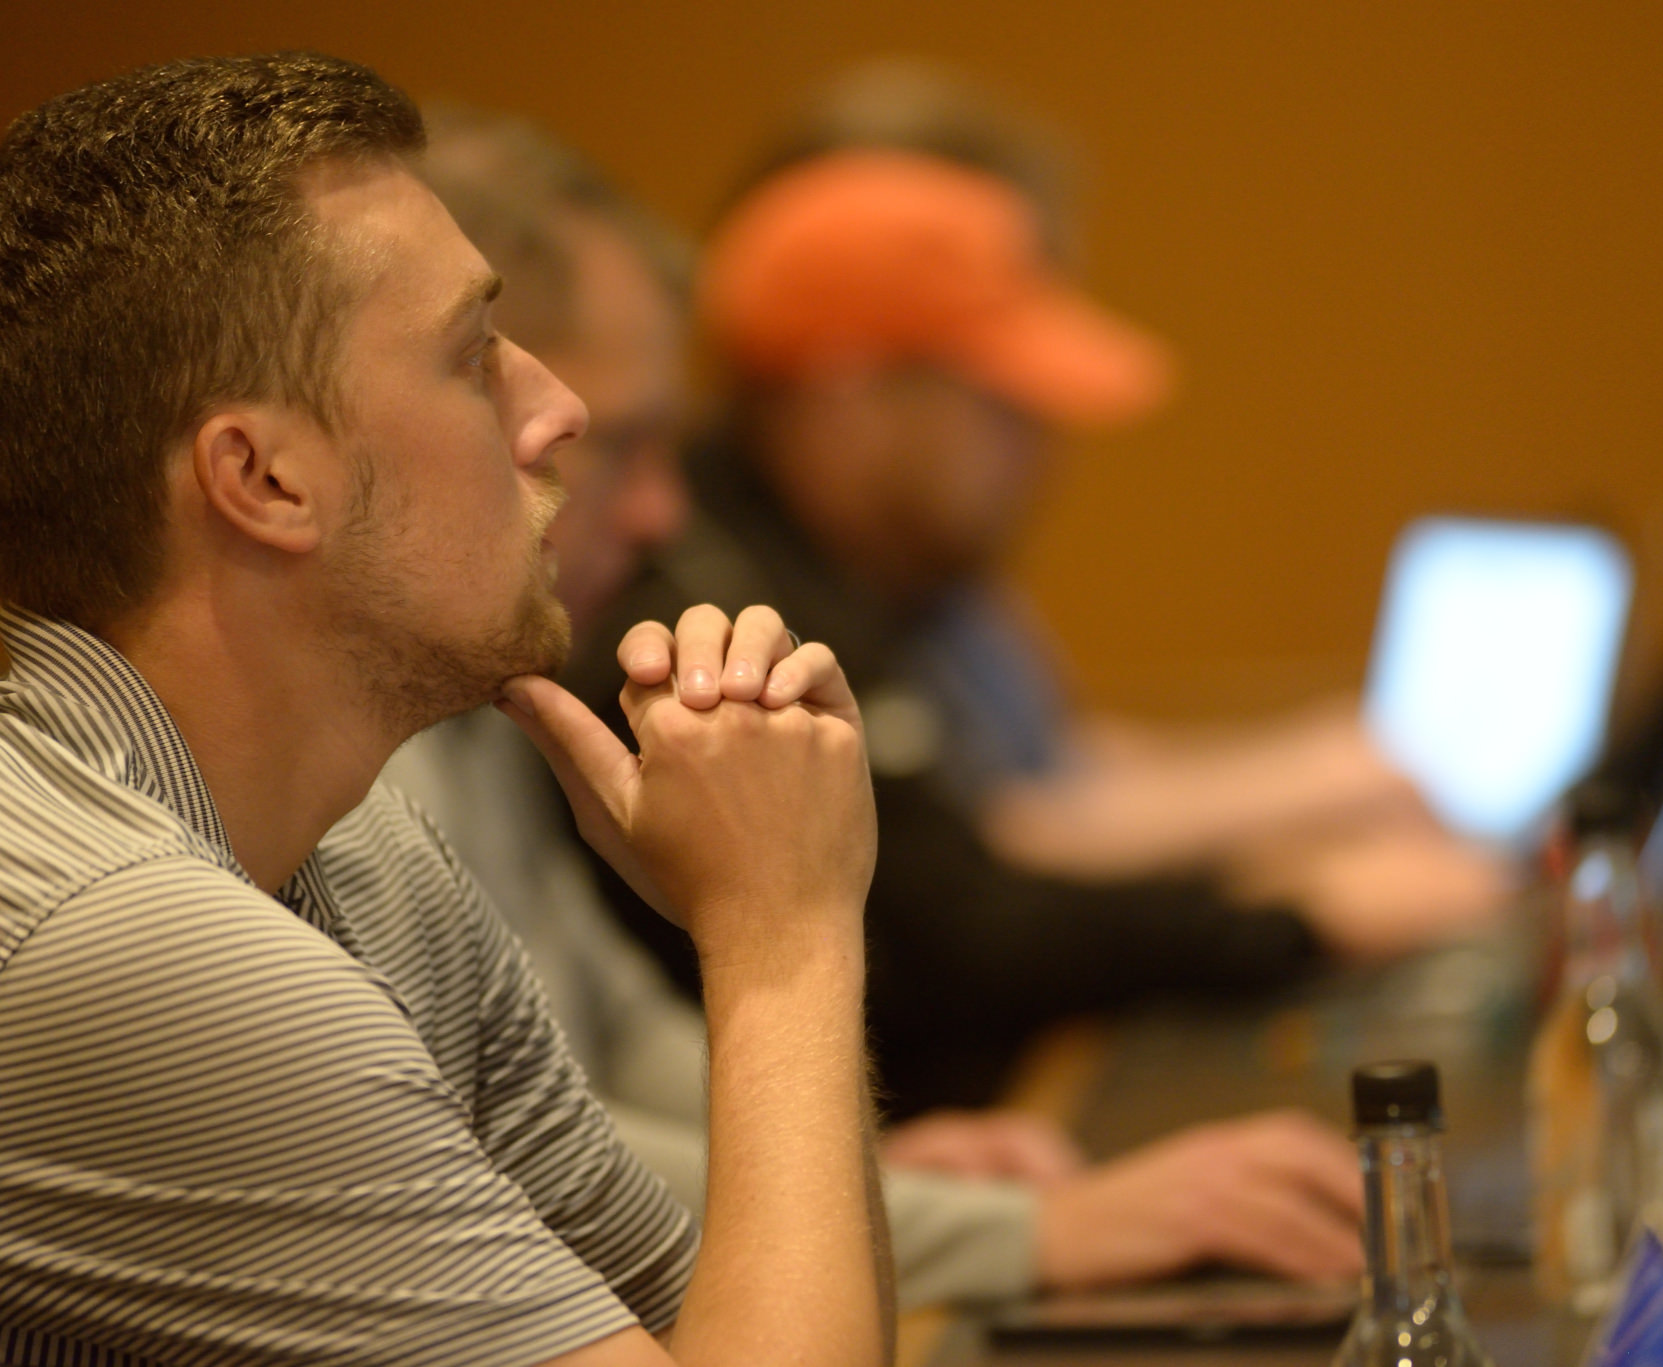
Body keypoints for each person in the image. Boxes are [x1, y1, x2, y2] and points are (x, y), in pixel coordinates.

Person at [0, 53, 889, 1365]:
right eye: (472, 357)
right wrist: (785, 932)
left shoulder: (374, 860)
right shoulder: (125, 942)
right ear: (266, 477)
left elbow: (737, 1325)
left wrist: (786, 924)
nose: (558, 408)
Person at [388, 106, 1367, 1304]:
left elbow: (598, 1052)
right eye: (617, 443)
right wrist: (1015, 1231)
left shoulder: (495, 687)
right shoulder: (646, 622)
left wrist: (851, 1169)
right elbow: (510, 1178)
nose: (659, 515)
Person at [580, 142, 1505, 1117]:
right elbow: (964, 935)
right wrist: (1299, 919)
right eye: (1002, 405)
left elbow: (1023, 825)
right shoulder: (705, 609)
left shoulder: (868, 568)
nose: (1043, 448)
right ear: (848, 395)